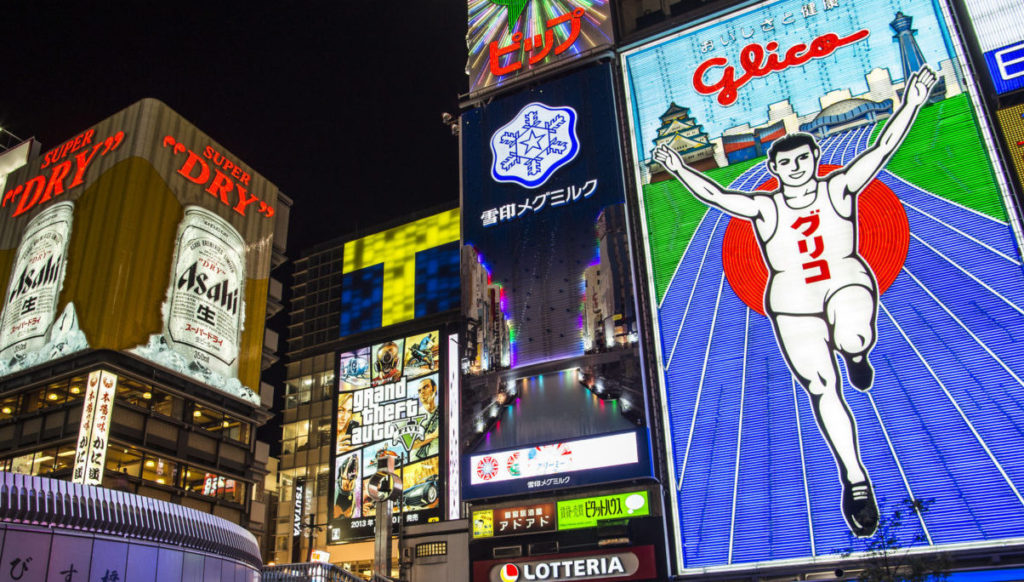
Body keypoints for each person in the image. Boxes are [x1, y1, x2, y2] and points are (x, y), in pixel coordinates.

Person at [652, 66, 938, 537]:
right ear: (775, 170)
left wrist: (910, 101)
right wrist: (680, 168)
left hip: (845, 280)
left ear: (814, 158)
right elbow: (718, 196)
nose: (797, 168)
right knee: (822, 388)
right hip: (792, 302)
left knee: (852, 333)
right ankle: (855, 477)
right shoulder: (767, 208)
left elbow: (882, 148)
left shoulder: (838, 187)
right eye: (787, 164)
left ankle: (857, 352)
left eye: (803, 159)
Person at [413, 378, 439, 460]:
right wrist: (432, 435)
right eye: (419, 391)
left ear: (434, 388)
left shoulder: (442, 410)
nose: (422, 392)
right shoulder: (415, 416)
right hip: (416, 463)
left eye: (425, 387)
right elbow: (411, 444)